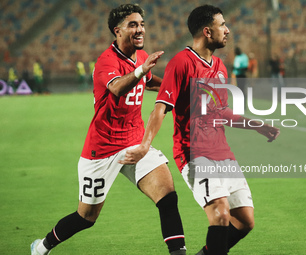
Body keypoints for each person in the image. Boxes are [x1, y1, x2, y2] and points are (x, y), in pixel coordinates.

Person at [120, 5, 280, 255]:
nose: (227, 30)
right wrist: (144, 146)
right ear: (207, 31)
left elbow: (221, 112)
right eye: (222, 25)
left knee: (245, 221)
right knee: (220, 214)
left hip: (222, 153)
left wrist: (257, 125)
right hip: (194, 153)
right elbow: (160, 108)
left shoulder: (219, 67)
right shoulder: (181, 63)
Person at [30, 4, 186, 255]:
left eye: (142, 24)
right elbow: (117, 88)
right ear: (117, 31)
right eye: (133, 25)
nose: (140, 30)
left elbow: (147, 80)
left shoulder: (141, 57)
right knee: (86, 218)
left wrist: (174, 86)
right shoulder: (106, 61)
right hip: (101, 150)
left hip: (135, 141)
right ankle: (42, 247)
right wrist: (140, 71)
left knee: (168, 198)